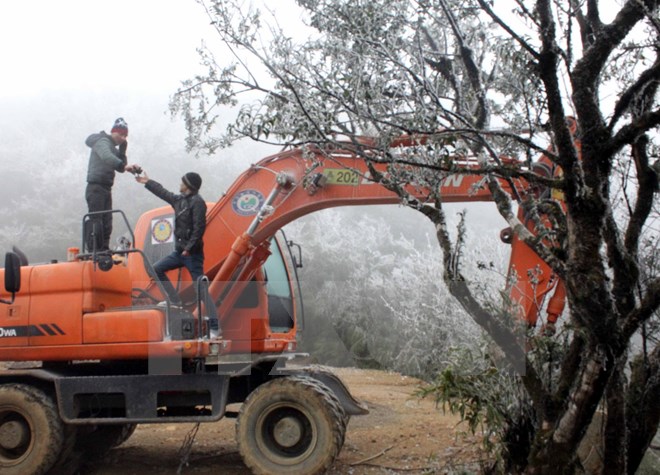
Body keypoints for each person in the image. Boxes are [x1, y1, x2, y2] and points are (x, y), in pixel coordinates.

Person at [135, 171, 207, 306]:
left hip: (192, 255)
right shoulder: (179, 200)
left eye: (183, 182)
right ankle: (174, 300)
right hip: (179, 253)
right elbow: (163, 192)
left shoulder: (198, 202)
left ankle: (215, 325)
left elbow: (199, 229)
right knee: (155, 269)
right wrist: (148, 182)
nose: (180, 184)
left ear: (188, 185)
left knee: (201, 291)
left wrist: (188, 248)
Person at [85, 117, 140, 251]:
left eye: (125, 136)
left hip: (106, 187)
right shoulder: (102, 142)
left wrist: (123, 150)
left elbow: (120, 167)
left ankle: (104, 249)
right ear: (113, 132)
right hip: (95, 186)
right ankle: (94, 251)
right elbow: (107, 157)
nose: (122, 137)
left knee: (107, 221)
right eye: (121, 134)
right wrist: (123, 165)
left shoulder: (113, 148)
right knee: (96, 220)